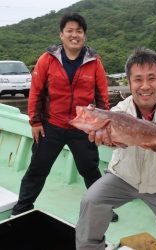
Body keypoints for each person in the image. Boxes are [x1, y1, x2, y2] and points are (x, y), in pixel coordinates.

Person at [75, 47, 156, 250]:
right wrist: (105, 139)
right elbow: (107, 133)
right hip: (122, 177)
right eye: (138, 79)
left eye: (152, 78)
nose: (145, 86)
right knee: (91, 201)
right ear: (129, 83)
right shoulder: (119, 111)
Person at [12, 12, 118, 222]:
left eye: (79, 31)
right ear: (61, 35)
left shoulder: (94, 61)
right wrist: (35, 121)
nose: (74, 35)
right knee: (38, 168)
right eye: (69, 30)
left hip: (83, 128)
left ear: (84, 36)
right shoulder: (47, 59)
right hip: (51, 125)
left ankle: (103, 209)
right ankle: (22, 207)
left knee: (90, 169)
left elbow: (101, 97)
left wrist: (100, 126)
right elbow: (36, 92)